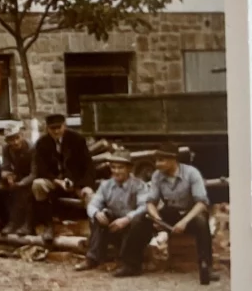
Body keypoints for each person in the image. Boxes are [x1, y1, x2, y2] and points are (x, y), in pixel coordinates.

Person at [120, 142, 218, 284]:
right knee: (139, 220)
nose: (157, 164)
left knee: (201, 221)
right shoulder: (157, 175)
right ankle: (132, 265)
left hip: (190, 213)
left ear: (173, 159)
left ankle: (206, 267)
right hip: (170, 213)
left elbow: (202, 203)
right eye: (156, 160)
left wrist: (183, 222)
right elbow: (150, 202)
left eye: (161, 160)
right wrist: (157, 218)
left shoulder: (192, 173)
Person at [74, 150, 148, 274]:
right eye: (113, 167)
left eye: (120, 167)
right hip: (114, 228)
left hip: (133, 229)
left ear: (129, 168)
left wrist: (127, 219)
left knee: (139, 220)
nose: (116, 171)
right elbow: (93, 204)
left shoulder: (139, 185)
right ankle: (93, 258)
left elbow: (144, 207)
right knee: (97, 216)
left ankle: (130, 265)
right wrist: (97, 213)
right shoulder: (106, 185)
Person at [32, 113, 96, 242]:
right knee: (38, 185)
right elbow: (41, 169)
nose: (56, 131)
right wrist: (57, 181)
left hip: (77, 181)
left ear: (64, 126)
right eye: (52, 128)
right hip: (55, 180)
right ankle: (48, 225)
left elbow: (88, 166)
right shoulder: (42, 143)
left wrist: (83, 185)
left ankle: (95, 231)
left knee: (90, 196)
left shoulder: (77, 140)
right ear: (47, 128)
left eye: (59, 127)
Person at [0, 121, 35, 236]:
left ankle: (28, 224)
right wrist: (8, 176)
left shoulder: (31, 148)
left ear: (22, 135)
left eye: (17, 138)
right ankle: (11, 222)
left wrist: (21, 183)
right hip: (18, 176)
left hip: (32, 177)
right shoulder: (6, 149)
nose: (15, 142)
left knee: (26, 191)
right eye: (11, 140)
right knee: (3, 188)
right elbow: (5, 166)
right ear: (6, 141)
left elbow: (35, 172)